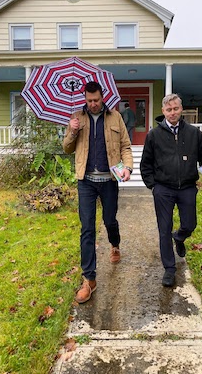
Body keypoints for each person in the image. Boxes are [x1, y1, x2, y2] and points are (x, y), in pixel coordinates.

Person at [63, 81, 133, 303]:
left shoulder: (115, 117)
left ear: (102, 98)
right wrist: (72, 132)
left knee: (110, 220)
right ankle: (89, 279)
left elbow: (125, 146)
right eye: (89, 100)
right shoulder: (76, 118)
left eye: (96, 100)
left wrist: (128, 168)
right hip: (86, 181)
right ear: (85, 98)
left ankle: (115, 245)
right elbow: (66, 148)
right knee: (87, 228)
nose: (92, 104)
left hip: (109, 179)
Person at [140, 93, 202, 287]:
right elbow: (146, 164)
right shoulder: (154, 135)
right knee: (164, 229)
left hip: (187, 188)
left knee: (190, 224)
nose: (172, 112)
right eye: (169, 109)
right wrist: (153, 185)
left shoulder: (193, 133)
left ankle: (180, 236)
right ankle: (169, 269)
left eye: (175, 108)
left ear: (181, 109)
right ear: (163, 111)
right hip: (163, 189)